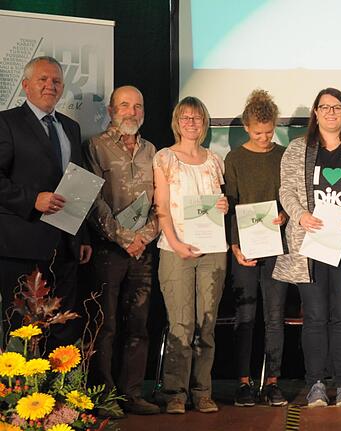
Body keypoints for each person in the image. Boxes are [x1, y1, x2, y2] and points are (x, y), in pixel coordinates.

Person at [272, 88, 341, 408]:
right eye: (324, 107)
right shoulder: (298, 149)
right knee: (314, 315)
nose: (330, 113)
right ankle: (315, 384)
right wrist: (300, 216)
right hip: (308, 244)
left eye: (337, 107)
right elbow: (286, 189)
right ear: (315, 113)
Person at [0, 56, 91, 348]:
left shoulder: (71, 127)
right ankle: (19, 394)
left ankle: (58, 393)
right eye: (43, 79)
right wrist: (32, 200)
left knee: (62, 330)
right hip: (21, 246)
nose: (50, 85)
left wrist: (82, 235)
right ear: (26, 86)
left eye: (56, 81)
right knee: (22, 331)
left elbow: (77, 184)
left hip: (64, 246)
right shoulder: (6, 122)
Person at [84, 85, 161, 416]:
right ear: (112, 110)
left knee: (139, 325)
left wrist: (143, 237)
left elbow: (161, 202)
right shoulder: (96, 146)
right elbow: (91, 199)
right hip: (109, 251)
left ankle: (133, 394)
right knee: (106, 326)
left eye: (138, 106)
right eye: (125, 105)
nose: (131, 112)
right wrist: (123, 237)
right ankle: (105, 396)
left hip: (142, 251)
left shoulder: (152, 150)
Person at [153, 97, 228, 414]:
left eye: (197, 118)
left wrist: (222, 205)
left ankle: (203, 392)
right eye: (185, 117)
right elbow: (161, 207)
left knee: (206, 326)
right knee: (181, 324)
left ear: (204, 122)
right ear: (176, 122)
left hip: (212, 251)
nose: (191, 122)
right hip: (176, 250)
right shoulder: (165, 158)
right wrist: (175, 241)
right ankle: (175, 394)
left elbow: (218, 202)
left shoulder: (215, 160)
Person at [224, 89, 289, 407]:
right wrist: (234, 244)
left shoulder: (283, 155)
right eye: (258, 132)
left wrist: (285, 213)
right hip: (245, 248)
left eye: (269, 131)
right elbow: (232, 202)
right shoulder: (234, 158)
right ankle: (244, 382)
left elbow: (290, 197)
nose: (265, 138)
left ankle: (273, 381)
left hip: (277, 245)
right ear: (247, 128)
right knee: (245, 315)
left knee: (275, 317)